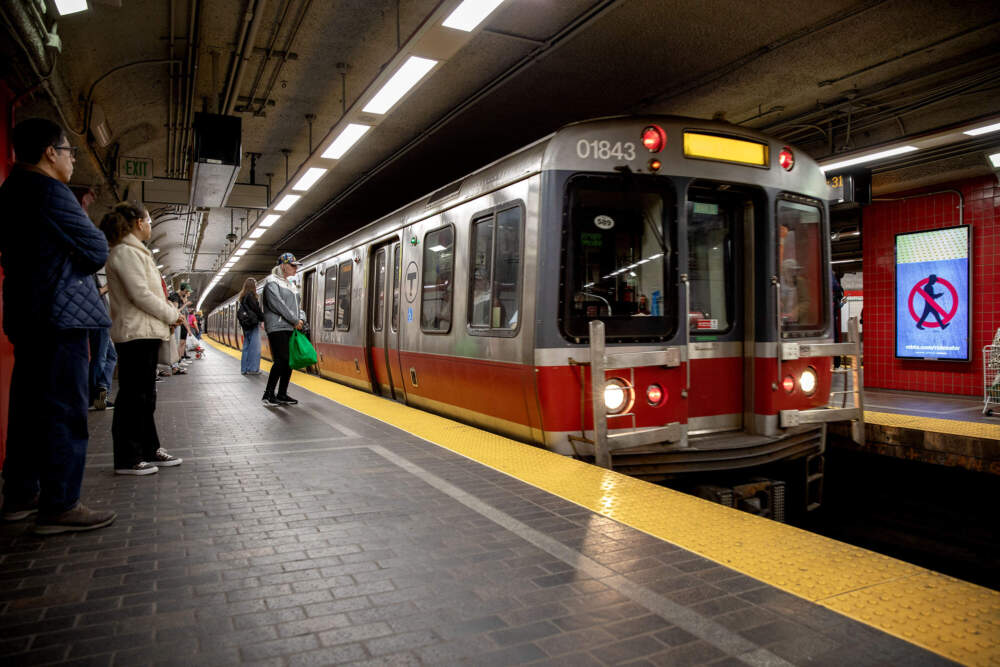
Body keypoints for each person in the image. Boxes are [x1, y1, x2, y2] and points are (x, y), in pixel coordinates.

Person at [0, 117, 117, 534]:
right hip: (60, 316)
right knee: (66, 408)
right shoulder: (50, 189)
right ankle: (61, 503)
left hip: (28, 311)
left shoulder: (10, 190)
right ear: (51, 152)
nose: (70, 160)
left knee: (29, 407)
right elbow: (95, 247)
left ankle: (20, 495)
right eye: (68, 152)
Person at [100, 203, 184, 475]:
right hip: (134, 333)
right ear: (138, 222)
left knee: (146, 397)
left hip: (145, 332)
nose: (150, 225)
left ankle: (149, 448)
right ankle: (127, 458)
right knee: (132, 398)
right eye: (148, 220)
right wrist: (171, 313)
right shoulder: (125, 253)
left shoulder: (137, 252)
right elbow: (141, 295)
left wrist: (168, 316)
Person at [261, 253, 306, 406]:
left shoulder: (291, 285)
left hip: (290, 327)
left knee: (289, 361)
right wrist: (295, 320)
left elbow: (297, 307)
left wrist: (301, 319)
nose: (296, 269)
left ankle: (281, 394)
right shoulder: (271, 282)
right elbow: (278, 305)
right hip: (277, 327)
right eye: (293, 265)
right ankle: (268, 394)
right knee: (282, 360)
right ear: (283, 266)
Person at [239, 277, 265, 375]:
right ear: (252, 286)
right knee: (255, 347)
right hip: (252, 324)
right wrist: (263, 319)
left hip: (245, 325)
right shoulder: (251, 296)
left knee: (246, 347)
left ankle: (244, 369)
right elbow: (256, 309)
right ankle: (253, 369)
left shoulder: (243, 297)